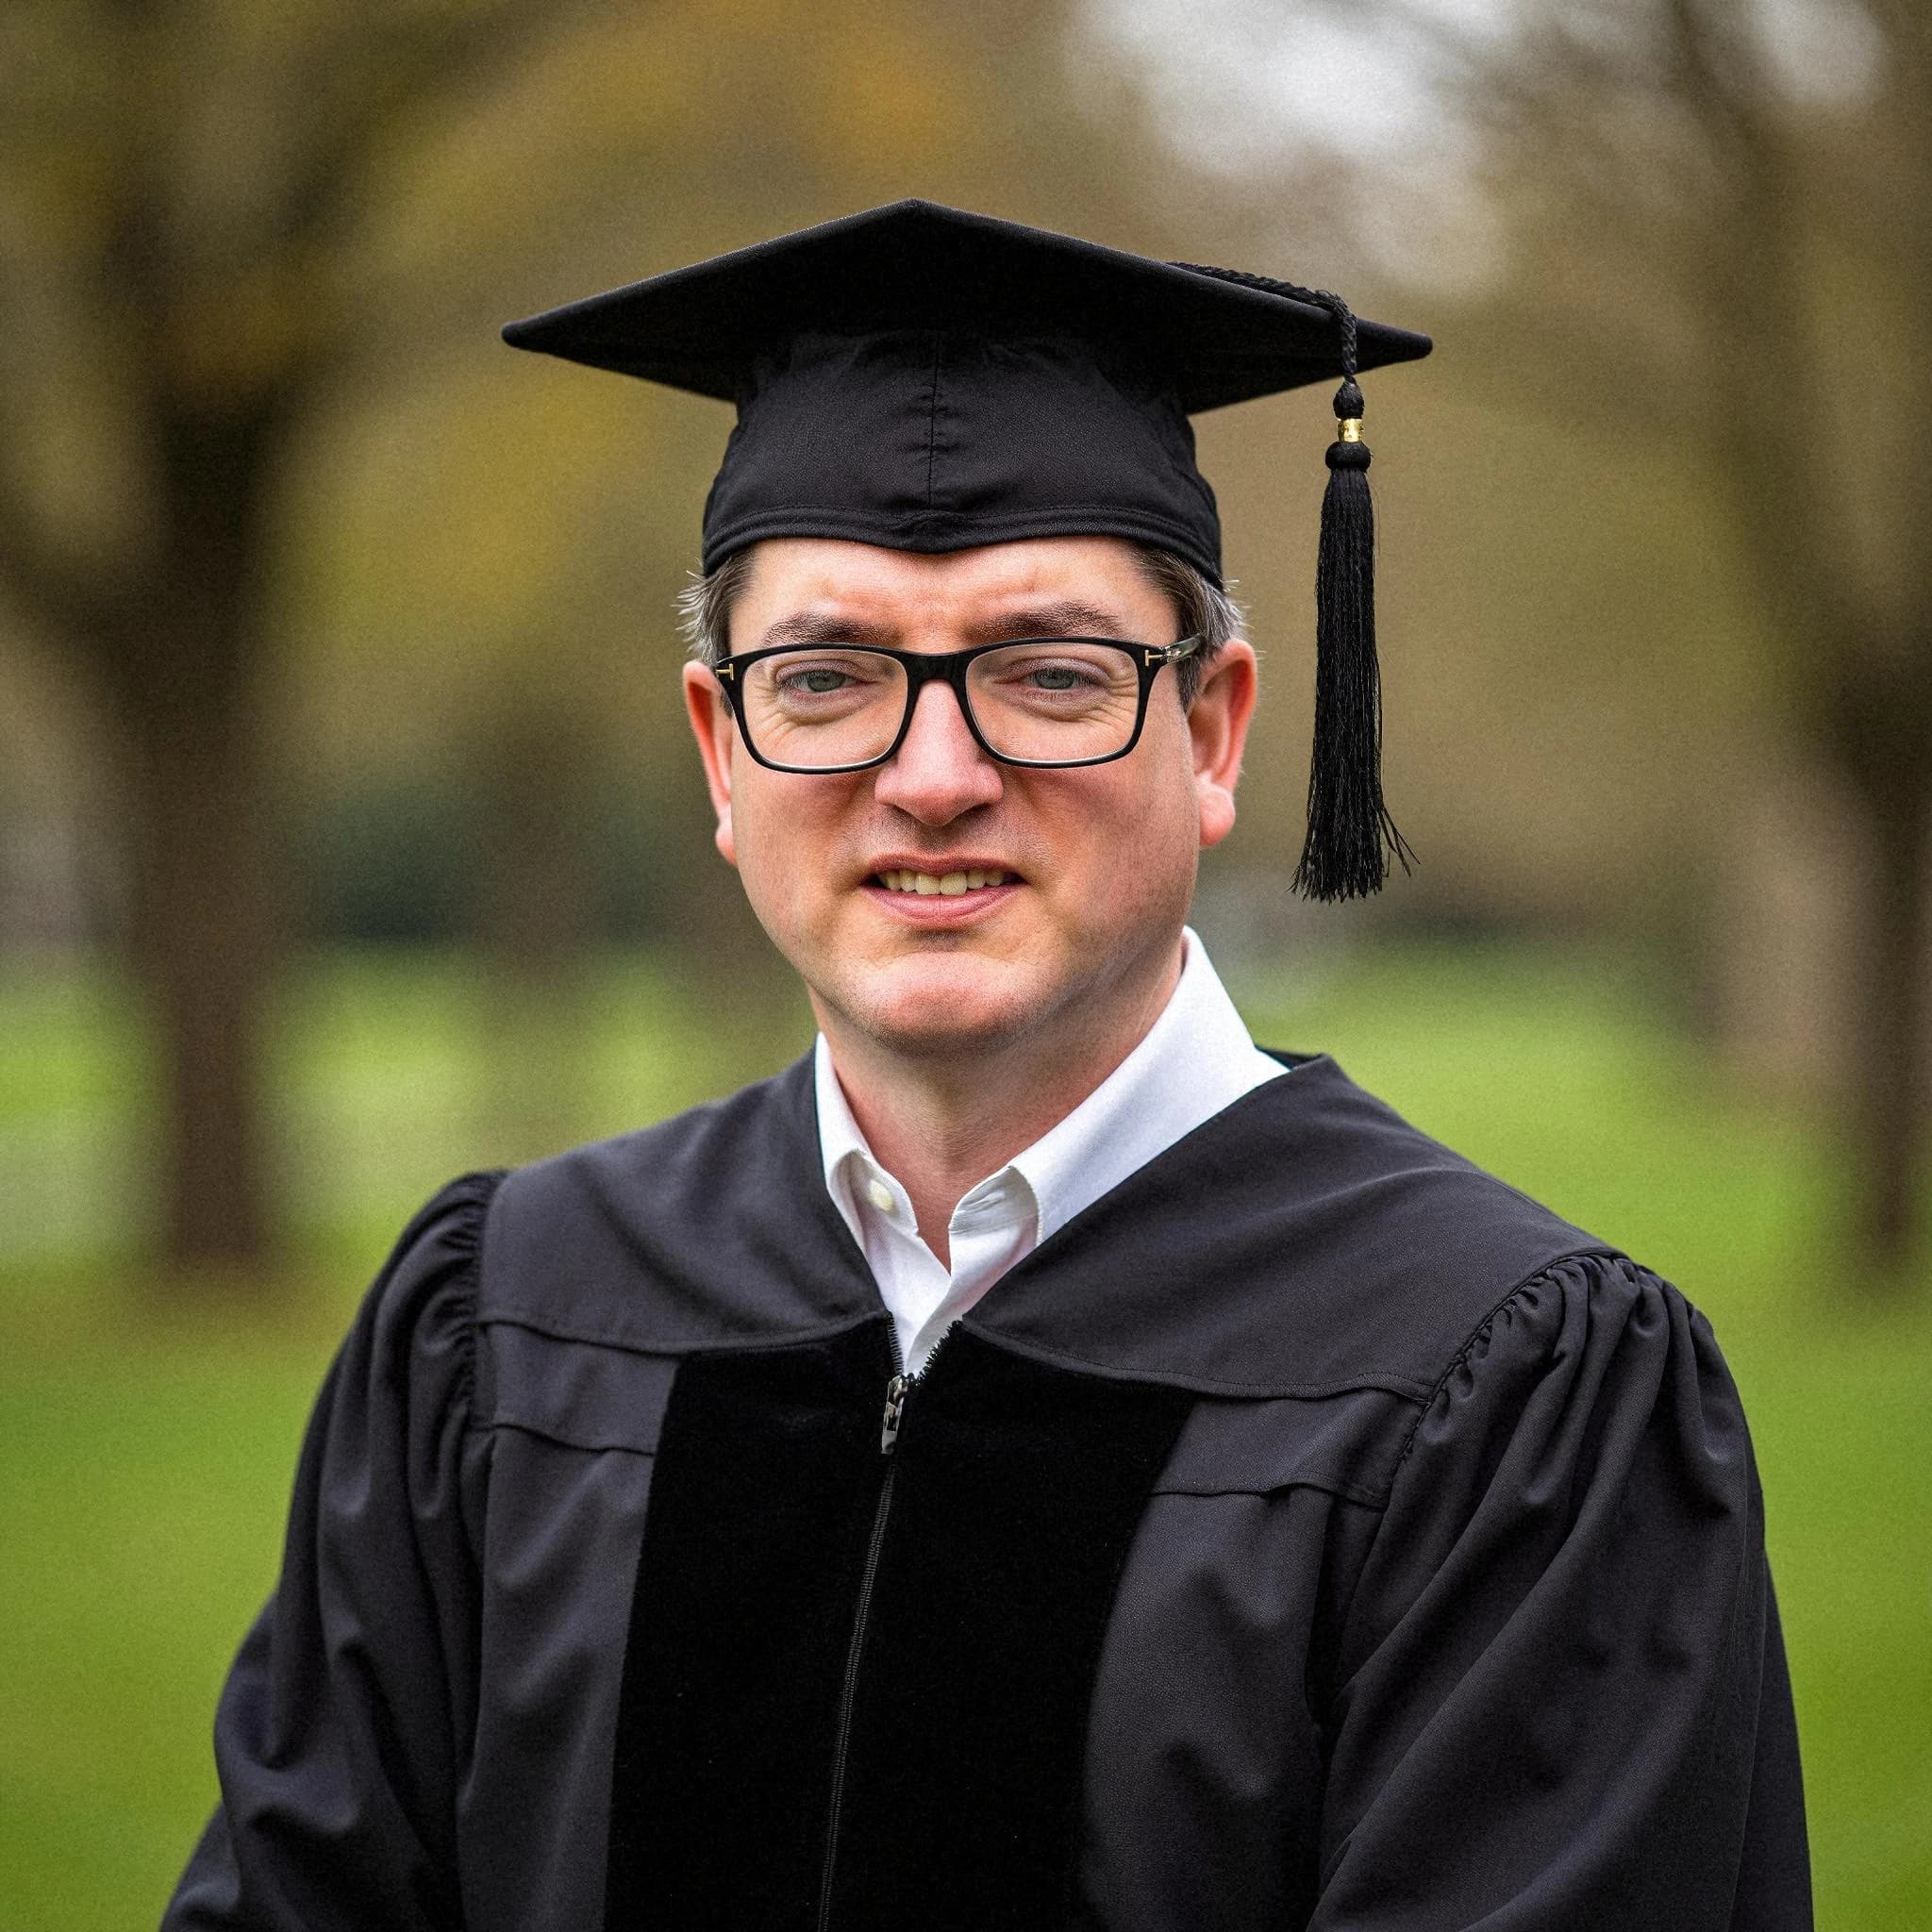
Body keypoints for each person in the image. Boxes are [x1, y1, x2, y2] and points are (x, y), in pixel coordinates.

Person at [163, 202, 1809, 1931]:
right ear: (722, 750)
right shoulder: (502, 1325)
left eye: (1048, 673)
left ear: (1214, 727)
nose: (933, 774)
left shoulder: (1510, 1396)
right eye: (826, 676)